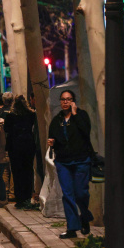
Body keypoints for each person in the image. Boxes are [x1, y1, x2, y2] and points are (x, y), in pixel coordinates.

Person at [48, 90, 94, 239]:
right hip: (63, 162)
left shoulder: (81, 116)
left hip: (81, 160)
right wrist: (52, 142)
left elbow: (86, 132)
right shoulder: (57, 120)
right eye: (63, 99)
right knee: (67, 194)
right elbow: (53, 136)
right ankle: (72, 228)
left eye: (68, 99)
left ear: (73, 101)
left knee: (81, 193)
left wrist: (75, 114)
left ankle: (85, 216)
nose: (65, 102)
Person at [5, 95, 36, 208]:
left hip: (15, 147)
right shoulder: (31, 115)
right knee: (28, 171)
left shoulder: (10, 116)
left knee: (17, 172)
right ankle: (27, 197)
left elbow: (6, 129)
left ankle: (19, 199)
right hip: (28, 145)